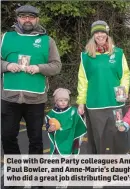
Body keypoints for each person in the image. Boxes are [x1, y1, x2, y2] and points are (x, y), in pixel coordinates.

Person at [1, 4, 61, 186]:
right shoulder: (5, 37)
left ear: (37, 19)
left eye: (31, 17)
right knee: (8, 136)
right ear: (17, 18)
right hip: (9, 98)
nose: (27, 20)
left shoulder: (47, 41)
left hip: (36, 99)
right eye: (24, 16)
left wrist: (39, 67)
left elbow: (56, 66)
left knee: (35, 139)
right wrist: (5, 66)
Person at [76, 20, 130, 154]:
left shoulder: (118, 53)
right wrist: (81, 101)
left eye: (103, 32)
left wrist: (123, 91)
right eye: (96, 33)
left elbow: (125, 75)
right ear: (93, 35)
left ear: (107, 34)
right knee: (98, 138)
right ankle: (102, 169)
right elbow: (83, 80)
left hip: (115, 103)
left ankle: (120, 165)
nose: (100, 35)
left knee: (119, 134)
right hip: (95, 105)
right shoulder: (86, 56)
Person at [45, 88, 87, 155]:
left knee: (71, 154)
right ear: (56, 101)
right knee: (59, 154)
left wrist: (81, 114)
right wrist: (50, 128)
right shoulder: (52, 114)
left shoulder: (73, 111)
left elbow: (79, 120)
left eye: (66, 100)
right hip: (59, 139)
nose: (63, 102)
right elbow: (48, 126)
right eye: (60, 100)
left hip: (71, 137)